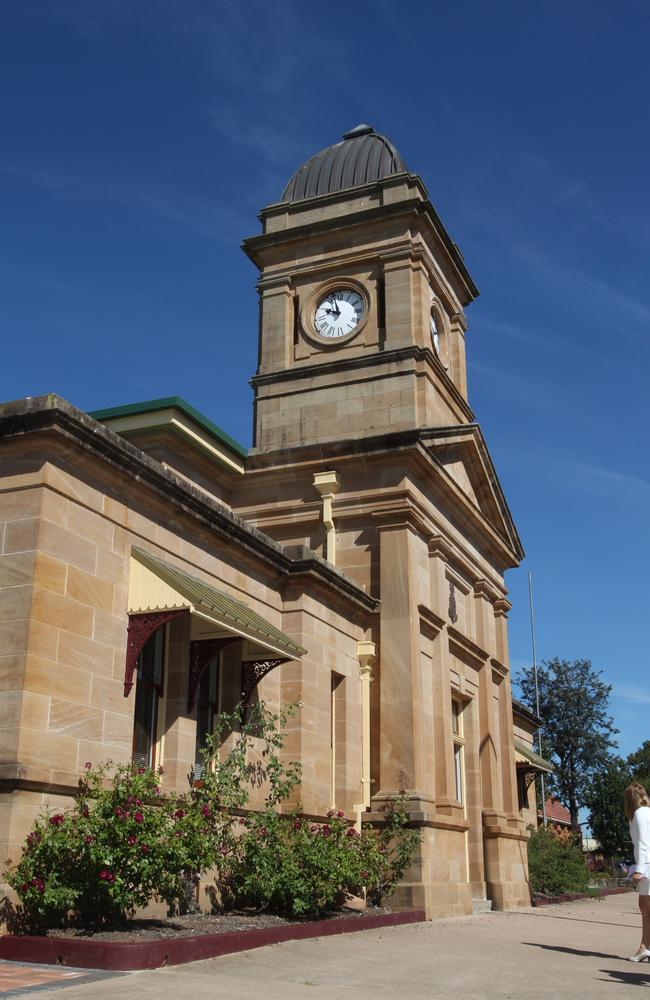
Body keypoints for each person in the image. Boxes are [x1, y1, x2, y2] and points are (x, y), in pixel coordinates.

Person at [624, 782, 650, 962]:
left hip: (647, 864)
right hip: (646, 863)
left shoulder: (640, 814)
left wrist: (639, 870)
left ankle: (644, 947)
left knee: (646, 907)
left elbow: (643, 843)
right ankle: (645, 946)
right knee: (644, 906)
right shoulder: (646, 812)